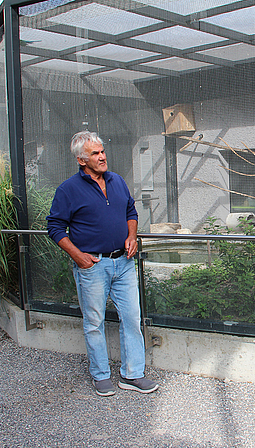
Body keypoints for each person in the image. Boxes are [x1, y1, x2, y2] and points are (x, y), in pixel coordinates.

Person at [47, 131, 159, 397]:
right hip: (93, 266)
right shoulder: (68, 190)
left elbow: (131, 211)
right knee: (94, 323)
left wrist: (131, 236)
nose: (102, 156)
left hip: (123, 261)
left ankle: (132, 375)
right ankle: (100, 375)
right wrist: (78, 256)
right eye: (95, 154)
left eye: (102, 151)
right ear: (81, 160)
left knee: (132, 318)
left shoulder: (117, 181)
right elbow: (54, 227)